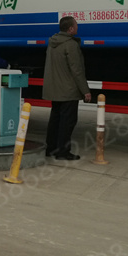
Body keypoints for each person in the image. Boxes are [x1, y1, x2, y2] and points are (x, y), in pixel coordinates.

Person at [42, 16, 91, 160]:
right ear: (70, 29)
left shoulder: (52, 42)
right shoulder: (71, 45)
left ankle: (51, 148)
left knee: (55, 120)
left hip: (55, 89)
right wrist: (85, 90)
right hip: (68, 90)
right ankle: (63, 152)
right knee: (67, 122)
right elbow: (77, 70)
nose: (77, 27)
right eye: (76, 25)